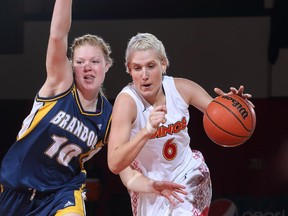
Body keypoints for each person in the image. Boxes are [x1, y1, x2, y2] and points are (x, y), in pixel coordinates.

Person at [0, 1, 187, 216]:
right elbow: (57, 36)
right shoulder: (59, 86)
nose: (87, 66)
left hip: (61, 192)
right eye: (80, 62)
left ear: (107, 65)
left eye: (95, 61)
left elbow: (123, 169)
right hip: (14, 187)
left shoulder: (110, 117)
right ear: (72, 67)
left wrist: (151, 185)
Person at [107, 32, 254, 215]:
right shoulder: (127, 102)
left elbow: (221, 115)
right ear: (129, 69)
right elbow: (114, 163)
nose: (144, 75)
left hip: (188, 174)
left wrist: (237, 106)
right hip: (150, 185)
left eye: (150, 66)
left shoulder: (182, 88)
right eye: (137, 68)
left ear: (163, 64)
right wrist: (147, 131)